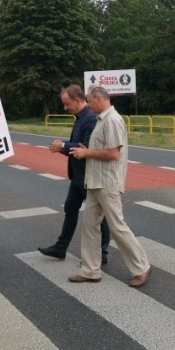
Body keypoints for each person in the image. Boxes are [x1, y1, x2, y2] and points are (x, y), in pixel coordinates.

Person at [67, 86, 152, 287]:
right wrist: (88, 150)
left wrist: (87, 154)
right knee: (89, 225)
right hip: (96, 180)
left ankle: (142, 267)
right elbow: (103, 150)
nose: (87, 104)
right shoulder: (101, 120)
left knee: (117, 226)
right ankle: (91, 270)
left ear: (98, 99)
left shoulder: (113, 120)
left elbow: (114, 154)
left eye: (88, 100)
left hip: (107, 182)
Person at [38, 84, 111, 263]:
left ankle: (102, 254)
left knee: (99, 217)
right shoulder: (80, 116)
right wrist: (63, 146)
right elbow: (77, 145)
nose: (65, 107)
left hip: (89, 176)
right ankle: (61, 248)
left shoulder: (90, 119)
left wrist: (63, 146)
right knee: (70, 209)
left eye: (67, 103)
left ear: (78, 101)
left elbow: (86, 147)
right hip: (78, 177)